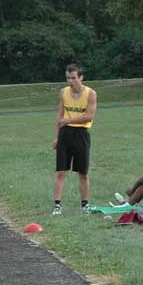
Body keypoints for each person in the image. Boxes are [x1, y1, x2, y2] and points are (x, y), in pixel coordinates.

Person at [52, 63, 98, 215]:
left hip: (81, 134)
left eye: (73, 78)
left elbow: (89, 116)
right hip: (65, 134)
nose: (70, 81)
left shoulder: (91, 93)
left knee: (83, 173)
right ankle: (57, 206)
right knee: (60, 172)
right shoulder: (63, 92)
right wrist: (57, 136)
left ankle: (84, 205)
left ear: (81, 78)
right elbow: (60, 115)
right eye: (67, 78)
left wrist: (69, 121)